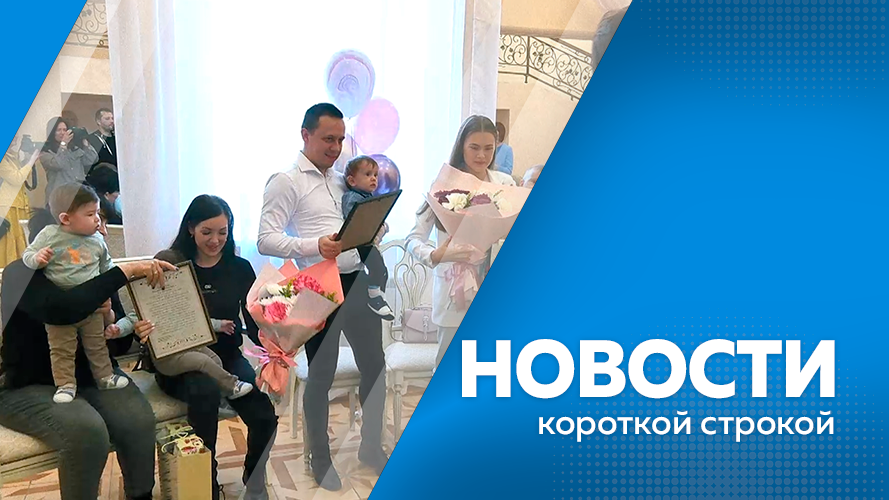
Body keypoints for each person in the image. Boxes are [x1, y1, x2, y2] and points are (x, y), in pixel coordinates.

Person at [0, 207, 174, 499]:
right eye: (93, 223)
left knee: (138, 421)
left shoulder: (96, 268)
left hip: (92, 377)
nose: (101, 231)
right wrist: (126, 271)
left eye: (100, 222)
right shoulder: (20, 273)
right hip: (27, 385)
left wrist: (111, 322)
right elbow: (62, 310)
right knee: (87, 432)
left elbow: (118, 346)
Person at [257, 103, 388, 491]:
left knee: (375, 366)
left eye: (341, 139)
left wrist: (373, 227)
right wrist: (313, 245)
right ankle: (320, 457)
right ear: (305, 134)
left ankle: (370, 447)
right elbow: (265, 238)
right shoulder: (286, 181)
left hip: (356, 281)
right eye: (328, 139)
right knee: (322, 375)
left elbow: (351, 224)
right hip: (319, 287)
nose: (335, 147)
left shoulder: (342, 178)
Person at [154, 194, 276, 500]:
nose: (215, 240)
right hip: (179, 358)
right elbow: (155, 313)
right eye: (207, 232)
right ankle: (206, 484)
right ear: (190, 228)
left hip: (226, 356)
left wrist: (278, 346)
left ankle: (254, 477)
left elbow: (254, 319)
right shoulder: (171, 263)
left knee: (264, 414)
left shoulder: (239, 268)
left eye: (223, 232)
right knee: (205, 395)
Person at [407, 115, 516, 368]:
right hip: (454, 291)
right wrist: (436, 255)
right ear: (461, 146)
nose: (481, 155)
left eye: (488, 148)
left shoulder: (505, 184)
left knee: (491, 368)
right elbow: (413, 238)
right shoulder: (444, 185)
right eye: (474, 147)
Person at [22, 184, 129, 403]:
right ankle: (65, 385)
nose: (97, 220)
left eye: (97, 213)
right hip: (60, 311)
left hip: (91, 307)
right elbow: (28, 254)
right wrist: (37, 258)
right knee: (62, 350)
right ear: (65, 219)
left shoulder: (97, 241)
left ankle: (105, 377)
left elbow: (107, 268)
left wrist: (112, 286)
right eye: (90, 214)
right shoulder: (50, 235)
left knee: (97, 344)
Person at [342, 155, 395, 320]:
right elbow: (354, 219)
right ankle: (374, 299)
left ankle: (378, 297)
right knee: (378, 268)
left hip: (368, 240)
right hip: (360, 242)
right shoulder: (352, 198)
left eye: (375, 175)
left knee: (382, 270)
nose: (374, 179)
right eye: (367, 174)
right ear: (352, 181)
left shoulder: (368, 197)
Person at [0, 135, 40, 267]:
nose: (15, 139)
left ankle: (17, 271)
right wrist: (32, 160)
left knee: (20, 241)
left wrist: (28, 158)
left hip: (19, 203)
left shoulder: (12, 157)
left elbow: (23, 177)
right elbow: (16, 178)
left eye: (16, 136)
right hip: (7, 206)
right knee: (8, 242)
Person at [40, 117, 98, 203]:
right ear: (52, 132)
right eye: (58, 130)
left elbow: (92, 160)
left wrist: (85, 142)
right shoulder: (45, 151)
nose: (62, 133)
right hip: (59, 196)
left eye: (65, 130)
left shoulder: (74, 148)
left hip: (78, 193)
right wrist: (63, 145)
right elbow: (59, 164)